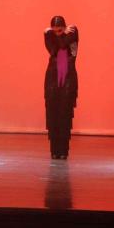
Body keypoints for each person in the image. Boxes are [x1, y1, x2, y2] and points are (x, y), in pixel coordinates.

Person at [43, 16, 79, 159]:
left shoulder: (73, 31)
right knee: (52, 112)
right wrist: (55, 33)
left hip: (68, 77)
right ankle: (54, 150)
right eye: (54, 30)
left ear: (65, 27)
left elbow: (63, 45)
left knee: (65, 113)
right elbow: (53, 51)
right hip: (52, 77)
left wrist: (55, 33)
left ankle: (63, 150)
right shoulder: (49, 35)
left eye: (60, 29)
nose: (57, 32)